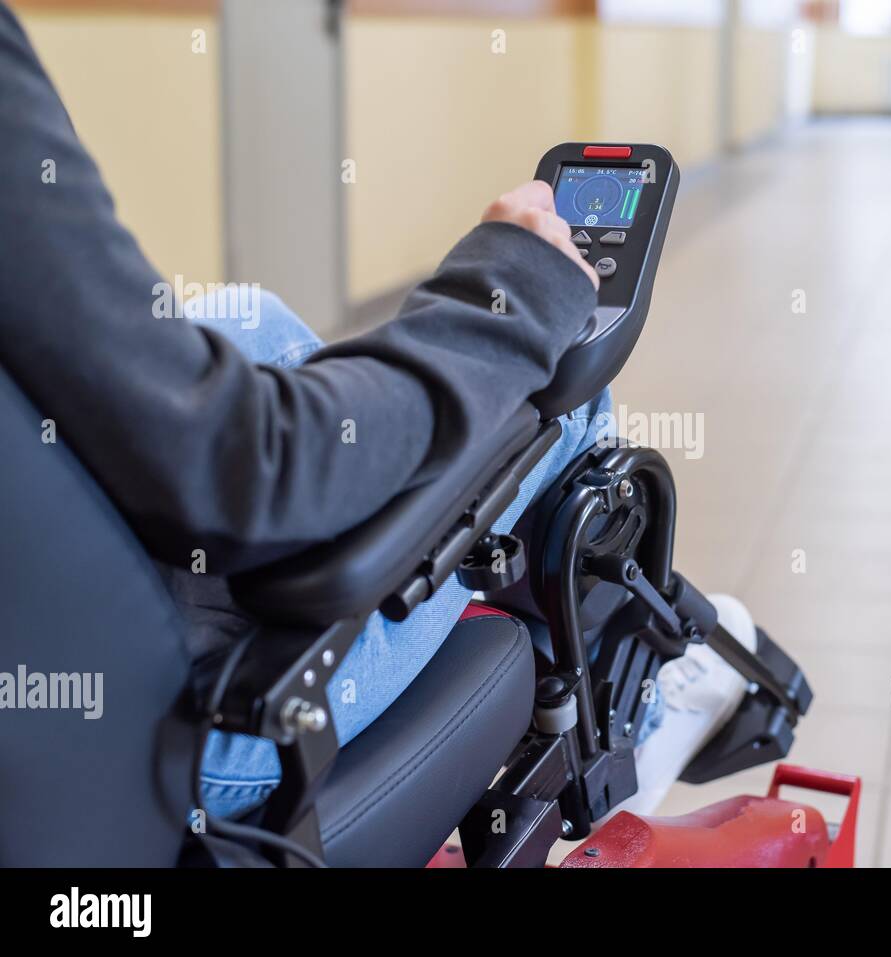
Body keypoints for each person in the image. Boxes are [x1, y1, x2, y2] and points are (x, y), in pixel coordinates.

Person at [0, 1, 754, 822]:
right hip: (193, 725)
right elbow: (241, 467)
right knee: (558, 405)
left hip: (76, 640)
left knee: (249, 319)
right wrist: (508, 295)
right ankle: (633, 729)